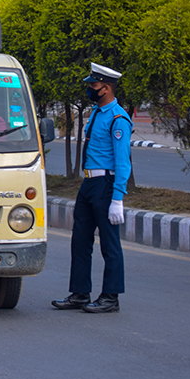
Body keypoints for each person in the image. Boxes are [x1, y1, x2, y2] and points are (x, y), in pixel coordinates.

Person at [53, 63, 131, 314]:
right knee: (80, 240)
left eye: (93, 85)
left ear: (106, 88)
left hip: (106, 185)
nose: (89, 89)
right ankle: (79, 292)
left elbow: (122, 162)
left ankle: (110, 296)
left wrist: (117, 198)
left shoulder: (119, 119)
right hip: (89, 183)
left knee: (110, 244)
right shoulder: (97, 113)